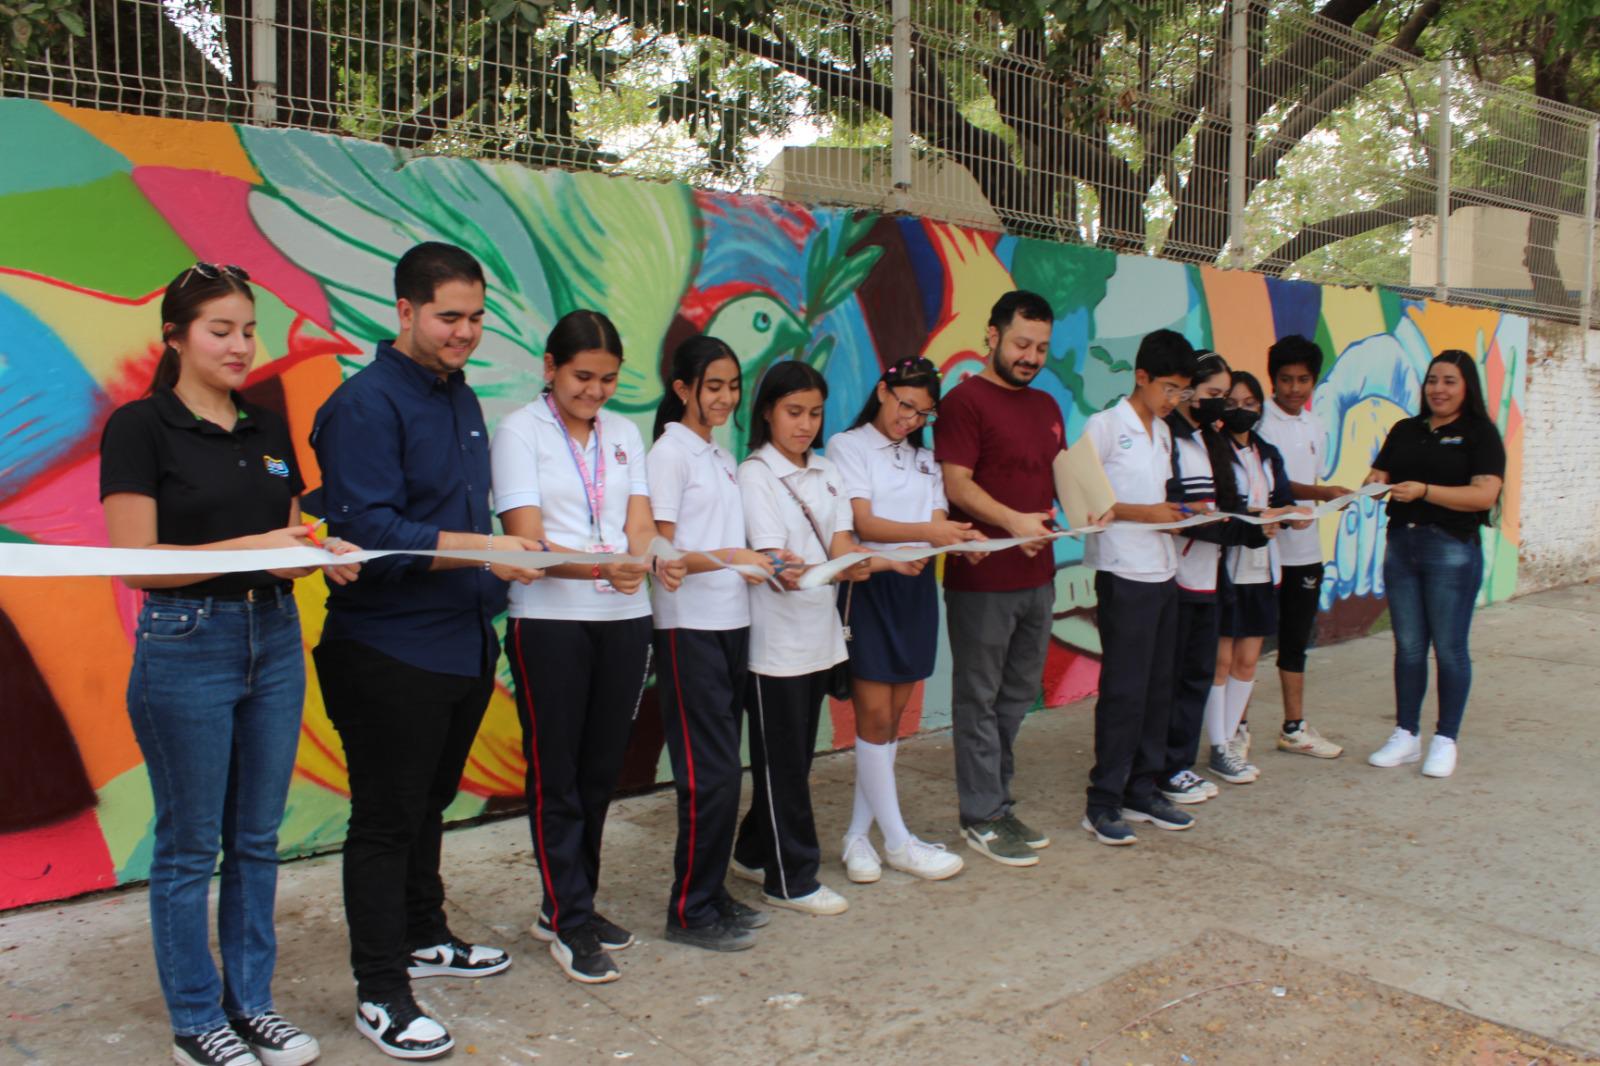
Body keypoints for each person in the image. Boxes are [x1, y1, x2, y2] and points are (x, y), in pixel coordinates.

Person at [100, 262, 359, 1066]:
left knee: (255, 838)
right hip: (186, 643)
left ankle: (253, 1005)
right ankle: (196, 1020)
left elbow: (288, 540)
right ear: (175, 337)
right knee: (189, 844)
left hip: (272, 637)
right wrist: (257, 547)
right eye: (221, 330)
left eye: (249, 330)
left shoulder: (268, 429)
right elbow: (137, 564)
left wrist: (322, 553)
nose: (242, 345)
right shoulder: (139, 428)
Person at [310, 242, 544, 1060]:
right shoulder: (363, 405)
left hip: (460, 643)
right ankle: (381, 991)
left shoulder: (460, 395)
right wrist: (488, 549)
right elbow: (371, 534)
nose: (464, 332)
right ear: (405, 311)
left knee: (426, 806)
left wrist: (490, 562)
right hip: (388, 650)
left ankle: (424, 935)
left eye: (476, 318)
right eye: (449, 317)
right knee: (385, 819)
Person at [490, 310, 686, 986]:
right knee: (558, 772)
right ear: (550, 368)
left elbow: (639, 525)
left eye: (607, 379)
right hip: (550, 620)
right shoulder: (520, 432)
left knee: (602, 771)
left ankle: (570, 903)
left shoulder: (624, 433)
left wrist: (655, 556)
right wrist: (601, 567)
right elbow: (527, 540)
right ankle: (569, 920)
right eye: (582, 376)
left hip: (624, 615)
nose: (595, 391)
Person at [729, 360, 906, 915]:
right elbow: (776, 563)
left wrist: (884, 561)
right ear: (767, 412)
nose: (805, 424)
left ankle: (753, 850)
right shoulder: (756, 474)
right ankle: (791, 879)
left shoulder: (828, 471)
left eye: (814, 413)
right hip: (775, 647)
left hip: (820, 638)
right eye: (793, 412)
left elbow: (840, 546)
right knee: (782, 767)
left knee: (795, 760)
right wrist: (821, 567)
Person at [648, 335, 777, 952]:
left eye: (733, 385)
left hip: (731, 623)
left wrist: (758, 561)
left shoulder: (720, 455)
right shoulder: (669, 454)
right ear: (682, 390)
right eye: (713, 387)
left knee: (727, 772)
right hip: (688, 628)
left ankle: (711, 891)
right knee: (709, 776)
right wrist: (731, 557)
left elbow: (727, 546)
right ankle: (689, 910)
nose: (726, 398)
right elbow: (663, 554)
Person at [825, 357, 974, 883]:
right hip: (868, 586)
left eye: (922, 414)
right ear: (883, 391)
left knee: (890, 721)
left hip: (914, 591)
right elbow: (862, 522)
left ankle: (856, 837)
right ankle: (898, 841)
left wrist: (956, 539)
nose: (909, 420)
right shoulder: (847, 446)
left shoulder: (926, 461)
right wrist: (931, 535)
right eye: (905, 406)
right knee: (871, 716)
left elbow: (937, 524)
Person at [935, 291, 1065, 867]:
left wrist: (1090, 507)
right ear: (992, 336)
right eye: (1021, 343)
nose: (1030, 357)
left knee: (1015, 698)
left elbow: (1054, 477)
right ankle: (981, 815)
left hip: (1039, 575)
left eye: (1040, 347)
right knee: (979, 699)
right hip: (983, 580)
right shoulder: (964, 401)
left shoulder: (1047, 405)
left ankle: (998, 802)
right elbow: (957, 484)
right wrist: (1013, 522)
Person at [1080, 329, 1198, 846]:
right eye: (1168, 388)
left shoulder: (1166, 433)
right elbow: (1085, 499)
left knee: (1158, 687)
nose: (1173, 400)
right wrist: (1145, 514)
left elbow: (1159, 498)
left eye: (1182, 392)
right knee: (1125, 691)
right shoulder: (1105, 426)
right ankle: (1102, 801)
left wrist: (1177, 516)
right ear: (1141, 377)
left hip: (1164, 570)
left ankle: (1142, 789)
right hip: (1123, 571)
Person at [1365, 350, 1505, 778]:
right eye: (1432, 380)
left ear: (1466, 388)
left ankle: (1446, 739)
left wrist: (1425, 491)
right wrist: (1373, 484)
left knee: (1449, 648)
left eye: (1449, 381)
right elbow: (1379, 474)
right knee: (1408, 646)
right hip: (1401, 546)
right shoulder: (1406, 429)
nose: (1438, 389)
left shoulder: (1480, 433)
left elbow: (1484, 495)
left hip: (1452, 550)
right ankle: (1406, 734)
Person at [1158, 351, 1264, 805]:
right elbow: (1175, 511)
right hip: (1177, 576)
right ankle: (1163, 767)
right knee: (1172, 677)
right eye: (1212, 393)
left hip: (1212, 576)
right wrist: (1226, 523)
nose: (1219, 403)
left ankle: (1179, 764)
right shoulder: (1168, 437)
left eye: (1224, 394)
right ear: (1187, 391)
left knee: (1198, 675)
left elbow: (1227, 509)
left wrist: (1257, 525)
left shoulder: (1212, 440)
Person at [1205, 371, 1305, 786]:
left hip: (1262, 569)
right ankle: (1217, 745)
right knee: (1221, 661)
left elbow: (1284, 502)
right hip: (1225, 567)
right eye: (1232, 403)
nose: (1241, 411)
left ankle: (1231, 740)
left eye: (1250, 403)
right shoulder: (1213, 449)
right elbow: (1216, 507)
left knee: (1247, 661)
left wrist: (1288, 515)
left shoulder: (1268, 453)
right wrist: (1252, 518)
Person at [1256, 335, 1349, 758]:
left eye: (1303, 380)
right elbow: (1271, 484)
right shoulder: (1259, 423)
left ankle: (1293, 727)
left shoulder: (1316, 425)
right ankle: (1233, 731)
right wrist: (1322, 493)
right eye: (1286, 379)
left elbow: (1308, 482)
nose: (1294, 388)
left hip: (1305, 552)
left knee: (1295, 642)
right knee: (1244, 645)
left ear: (1314, 380)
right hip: (1262, 551)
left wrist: (1322, 496)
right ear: (1272, 379)